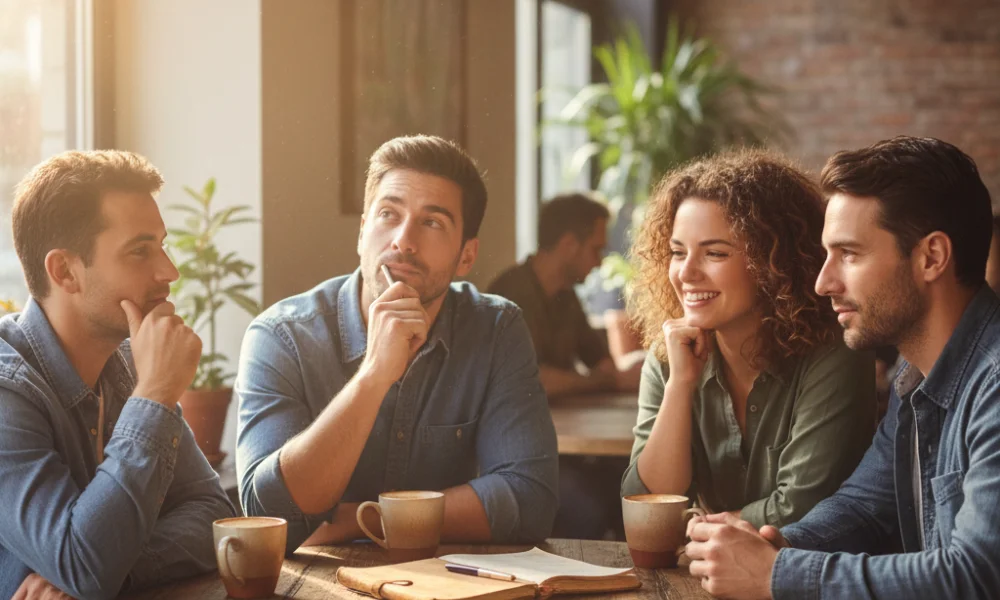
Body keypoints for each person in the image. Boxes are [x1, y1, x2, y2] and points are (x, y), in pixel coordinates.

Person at [684, 136, 1000, 600]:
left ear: (931, 257)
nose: (822, 282)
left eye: (849, 254)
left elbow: (975, 577)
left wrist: (777, 574)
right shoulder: (913, 378)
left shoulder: (993, 384)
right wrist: (775, 543)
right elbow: (865, 505)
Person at [236, 135, 559, 553]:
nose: (403, 241)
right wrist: (374, 374)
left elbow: (530, 500)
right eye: (388, 213)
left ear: (466, 257)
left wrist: (360, 517)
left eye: (433, 222)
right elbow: (270, 515)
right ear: (362, 232)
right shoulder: (281, 336)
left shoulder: (496, 328)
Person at [0, 150, 234, 599]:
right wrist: (155, 396)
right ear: (65, 271)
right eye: (140, 251)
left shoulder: (128, 364)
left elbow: (213, 514)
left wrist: (119, 564)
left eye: (162, 246)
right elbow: (84, 564)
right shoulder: (8, 392)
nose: (170, 271)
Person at [621, 149, 876, 530]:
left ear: (774, 261)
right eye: (677, 252)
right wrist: (681, 385)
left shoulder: (834, 353)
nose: (686, 273)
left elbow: (801, 508)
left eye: (715, 253)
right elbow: (647, 510)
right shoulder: (670, 356)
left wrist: (702, 532)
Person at [488, 193, 641, 398]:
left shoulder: (566, 296)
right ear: (569, 244)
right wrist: (597, 381)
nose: (599, 263)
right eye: (595, 250)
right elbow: (529, 379)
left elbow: (603, 364)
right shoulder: (511, 293)